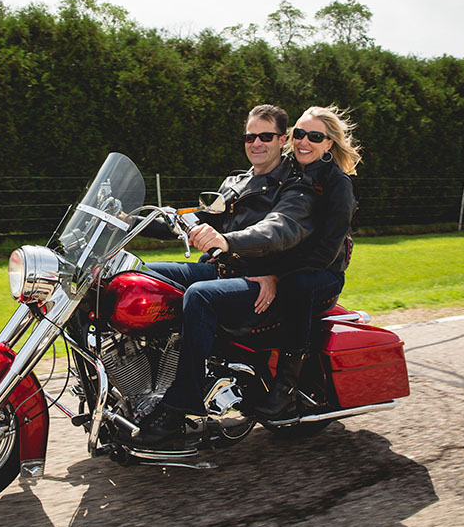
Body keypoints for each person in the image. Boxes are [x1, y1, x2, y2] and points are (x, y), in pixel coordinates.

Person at [135, 104, 316, 443]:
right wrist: (131, 223)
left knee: (200, 297)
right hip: (224, 271)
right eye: (250, 136)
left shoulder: (295, 186)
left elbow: (278, 229)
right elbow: (205, 218)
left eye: (265, 136)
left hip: (263, 283)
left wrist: (227, 241)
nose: (256, 143)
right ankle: (142, 381)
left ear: (283, 139)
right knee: (140, 275)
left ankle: (181, 401)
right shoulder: (236, 181)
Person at [242, 105, 361, 420]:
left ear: (328, 144)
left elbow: (327, 249)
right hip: (289, 268)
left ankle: (286, 389)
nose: (304, 141)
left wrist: (278, 275)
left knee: (296, 287)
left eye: (315, 136)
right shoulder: (290, 171)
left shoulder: (338, 183)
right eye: (299, 134)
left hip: (323, 274)